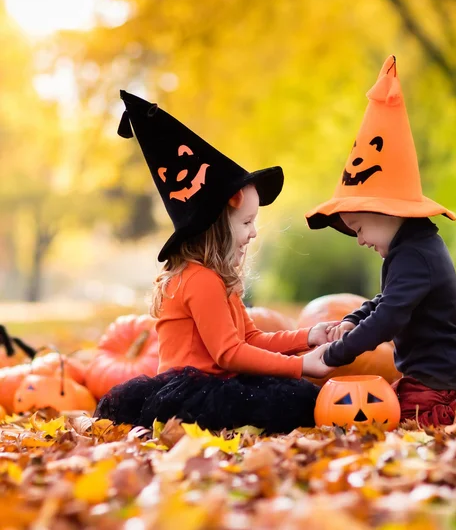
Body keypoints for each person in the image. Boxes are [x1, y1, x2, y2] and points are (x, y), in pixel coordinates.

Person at [95, 91, 330, 434]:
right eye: (247, 223)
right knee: (296, 401)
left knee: (296, 397)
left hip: (218, 383)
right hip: (194, 395)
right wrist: (300, 365)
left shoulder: (216, 278)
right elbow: (229, 354)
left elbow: (251, 338)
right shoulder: (199, 279)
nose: (253, 234)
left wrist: (308, 337)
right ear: (217, 227)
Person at [305, 56, 456, 426]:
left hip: (441, 381)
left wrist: (337, 354)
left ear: (386, 211)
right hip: (431, 375)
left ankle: (450, 413)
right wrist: (354, 319)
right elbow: (387, 301)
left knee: (399, 419)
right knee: (387, 406)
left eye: (358, 228)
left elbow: (390, 317)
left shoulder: (416, 255)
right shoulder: (412, 248)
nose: (359, 240)